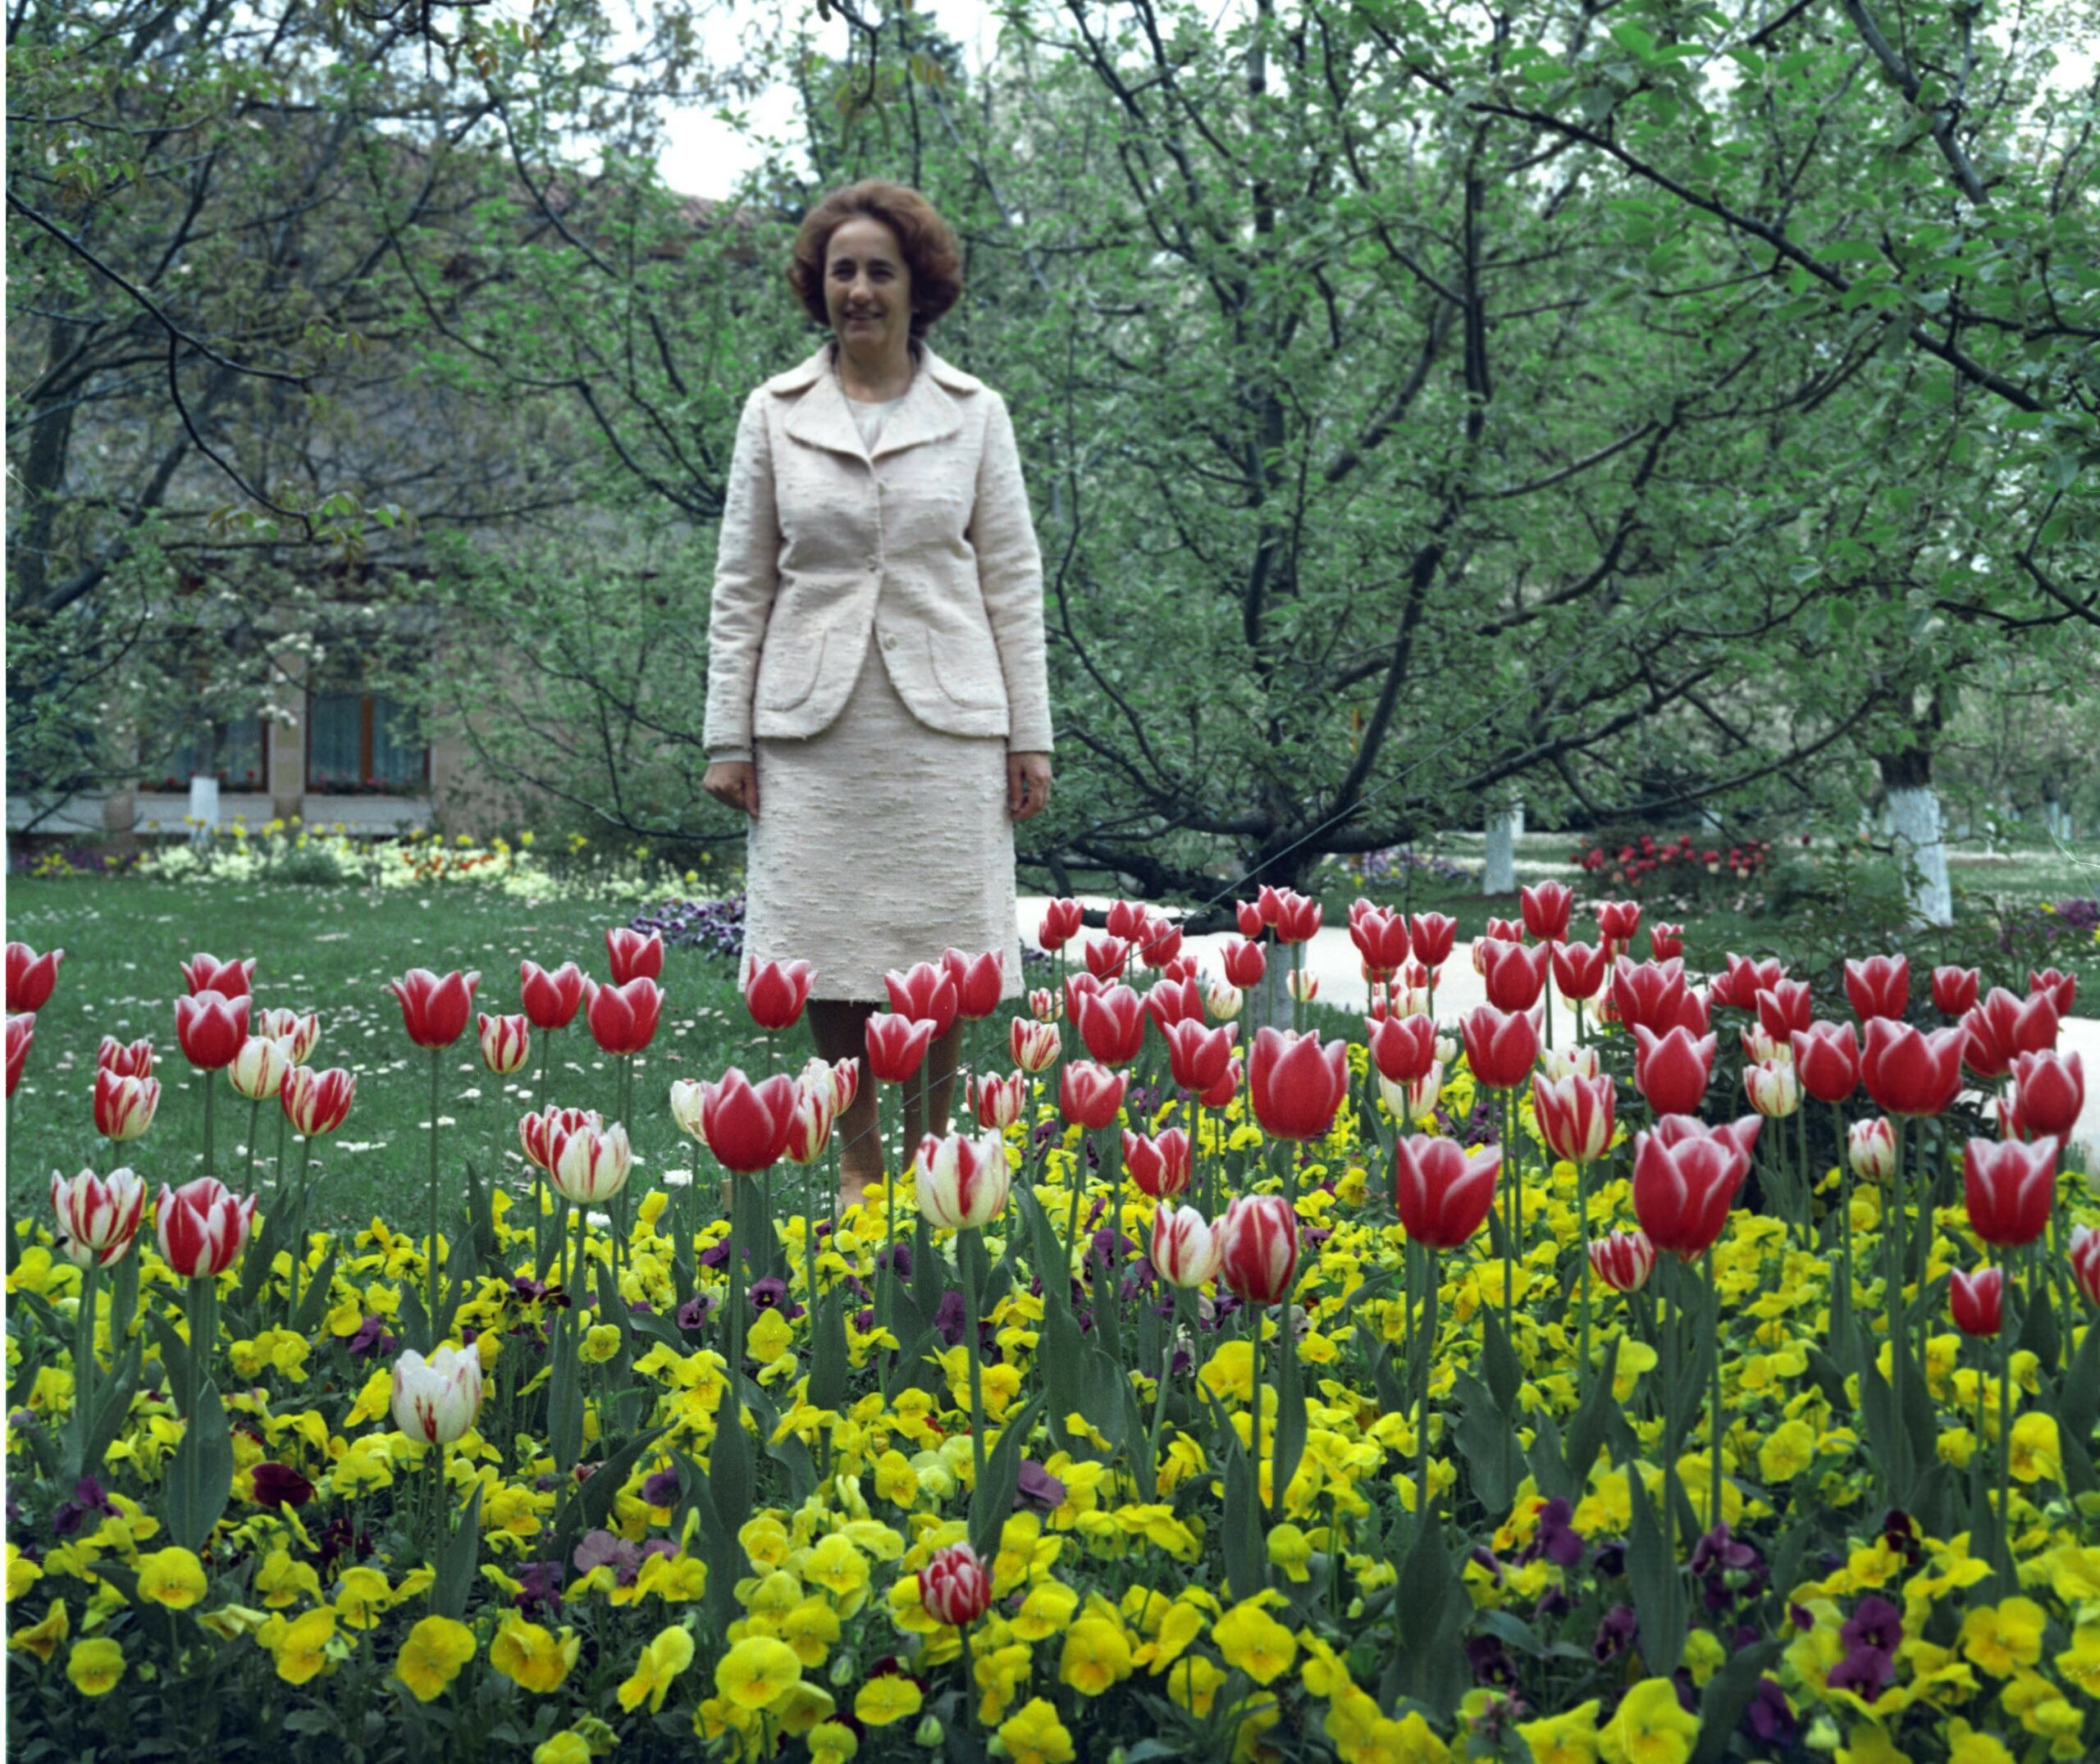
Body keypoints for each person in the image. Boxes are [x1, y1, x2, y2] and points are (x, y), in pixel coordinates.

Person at [701, 180, 1054, 1207]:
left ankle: (930, 1154)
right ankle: (858, 1161)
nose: (859, 289)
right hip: (811, 730)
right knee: (824, 944)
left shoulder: (975, 413)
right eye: (842, 271)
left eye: (880, 271)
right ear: (819, 286)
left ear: (917, 286)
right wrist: (729, 738)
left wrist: (1029, 736)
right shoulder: (773, 413)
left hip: (947, 726)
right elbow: (741, 584)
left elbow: (1012, 579)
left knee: (940, 948)